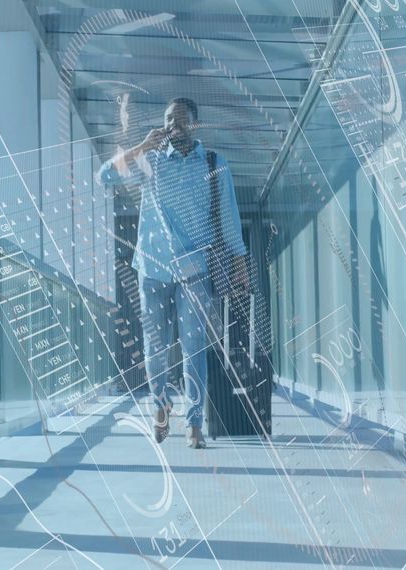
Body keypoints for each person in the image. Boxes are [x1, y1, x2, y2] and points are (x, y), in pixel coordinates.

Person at [97, 97, 247, 449]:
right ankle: (161, 408)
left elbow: (228, 216)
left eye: (180, 120)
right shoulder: (148, 162)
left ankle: (194, 423)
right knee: (156, 346)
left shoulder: (213, 163)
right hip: (152, 268)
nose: (173, 126)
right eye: (168, 120)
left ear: (194, 125)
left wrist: (239, 261)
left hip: (196, 268)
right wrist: (141, 146)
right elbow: (105, 175)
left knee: (194, 347)